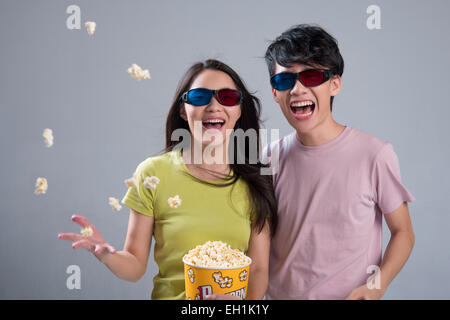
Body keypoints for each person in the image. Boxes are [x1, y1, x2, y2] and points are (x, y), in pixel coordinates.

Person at [58, 59, 277, 300]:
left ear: (239, 110)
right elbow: (134, 266)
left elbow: (257, 270)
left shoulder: (257, 181)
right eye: (199, 96)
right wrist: (105, 254)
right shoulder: (153, 174)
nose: (214, 106)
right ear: (183, 110)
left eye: (227, 97)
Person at [262, 24, 415, 300]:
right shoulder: (269, 157)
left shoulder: (375, 154)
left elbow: (403, 232)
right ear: (275, 93)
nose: (297, 89)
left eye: (311, 76)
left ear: (334, 84)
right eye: (284, 81)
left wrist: (377, 285)